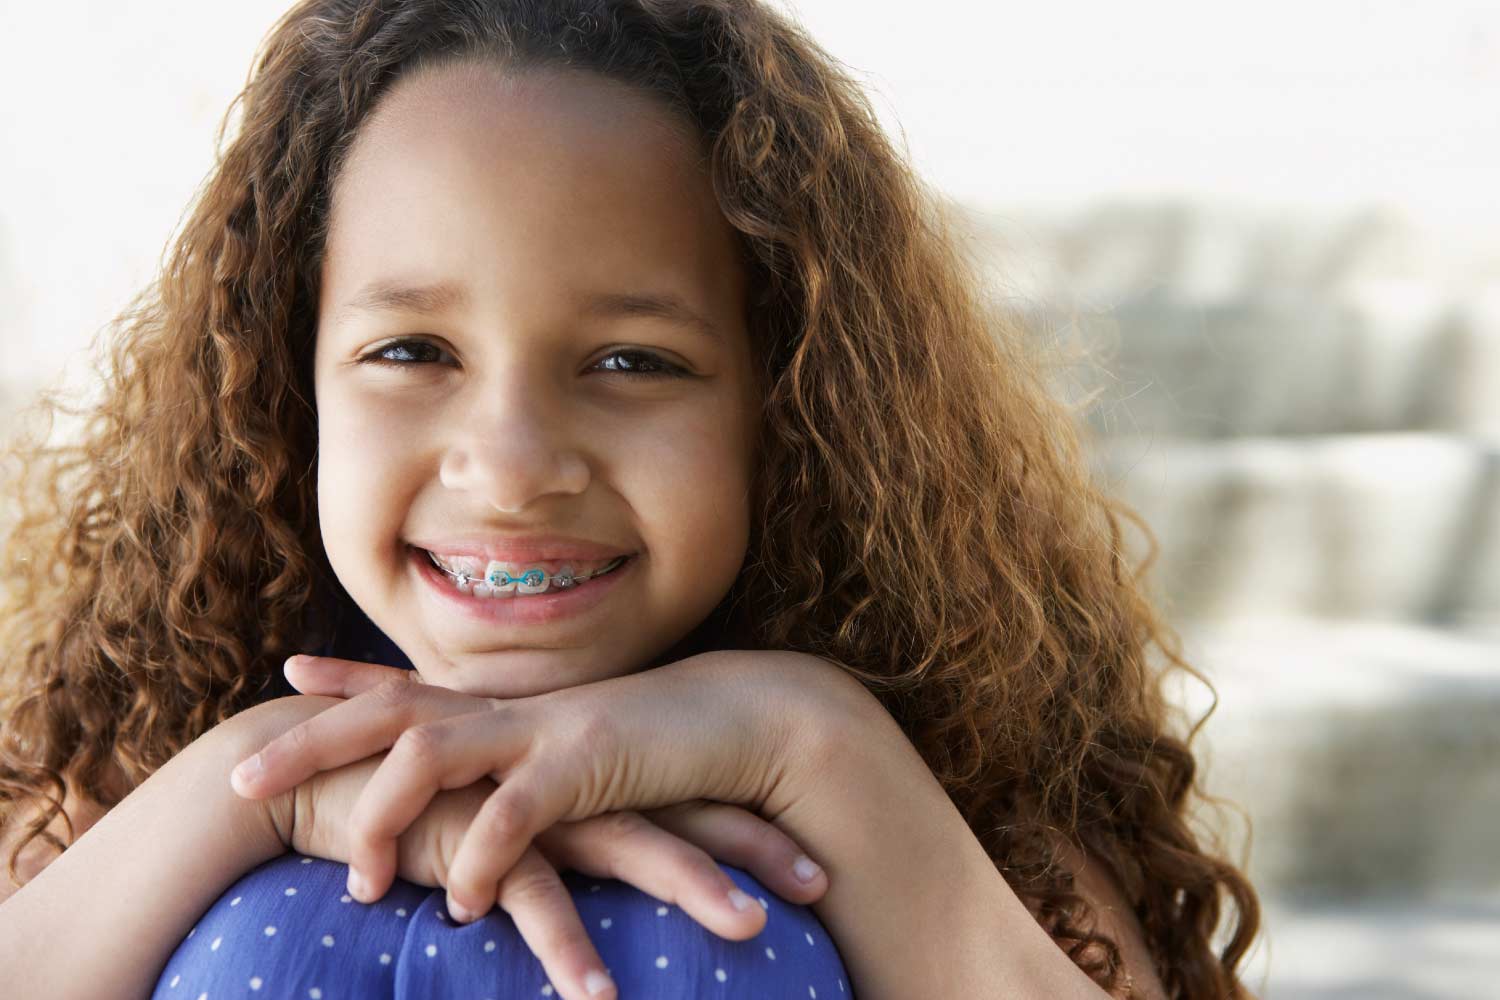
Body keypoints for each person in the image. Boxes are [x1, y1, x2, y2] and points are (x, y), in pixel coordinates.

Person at [0, 0, 1262, 998]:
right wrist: (258, 786)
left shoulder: (961, 786)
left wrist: (805, 739)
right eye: (412, 351)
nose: (508, 467)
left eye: (631, 363)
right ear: (288, 387)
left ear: (789, 406)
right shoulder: (131, 749)